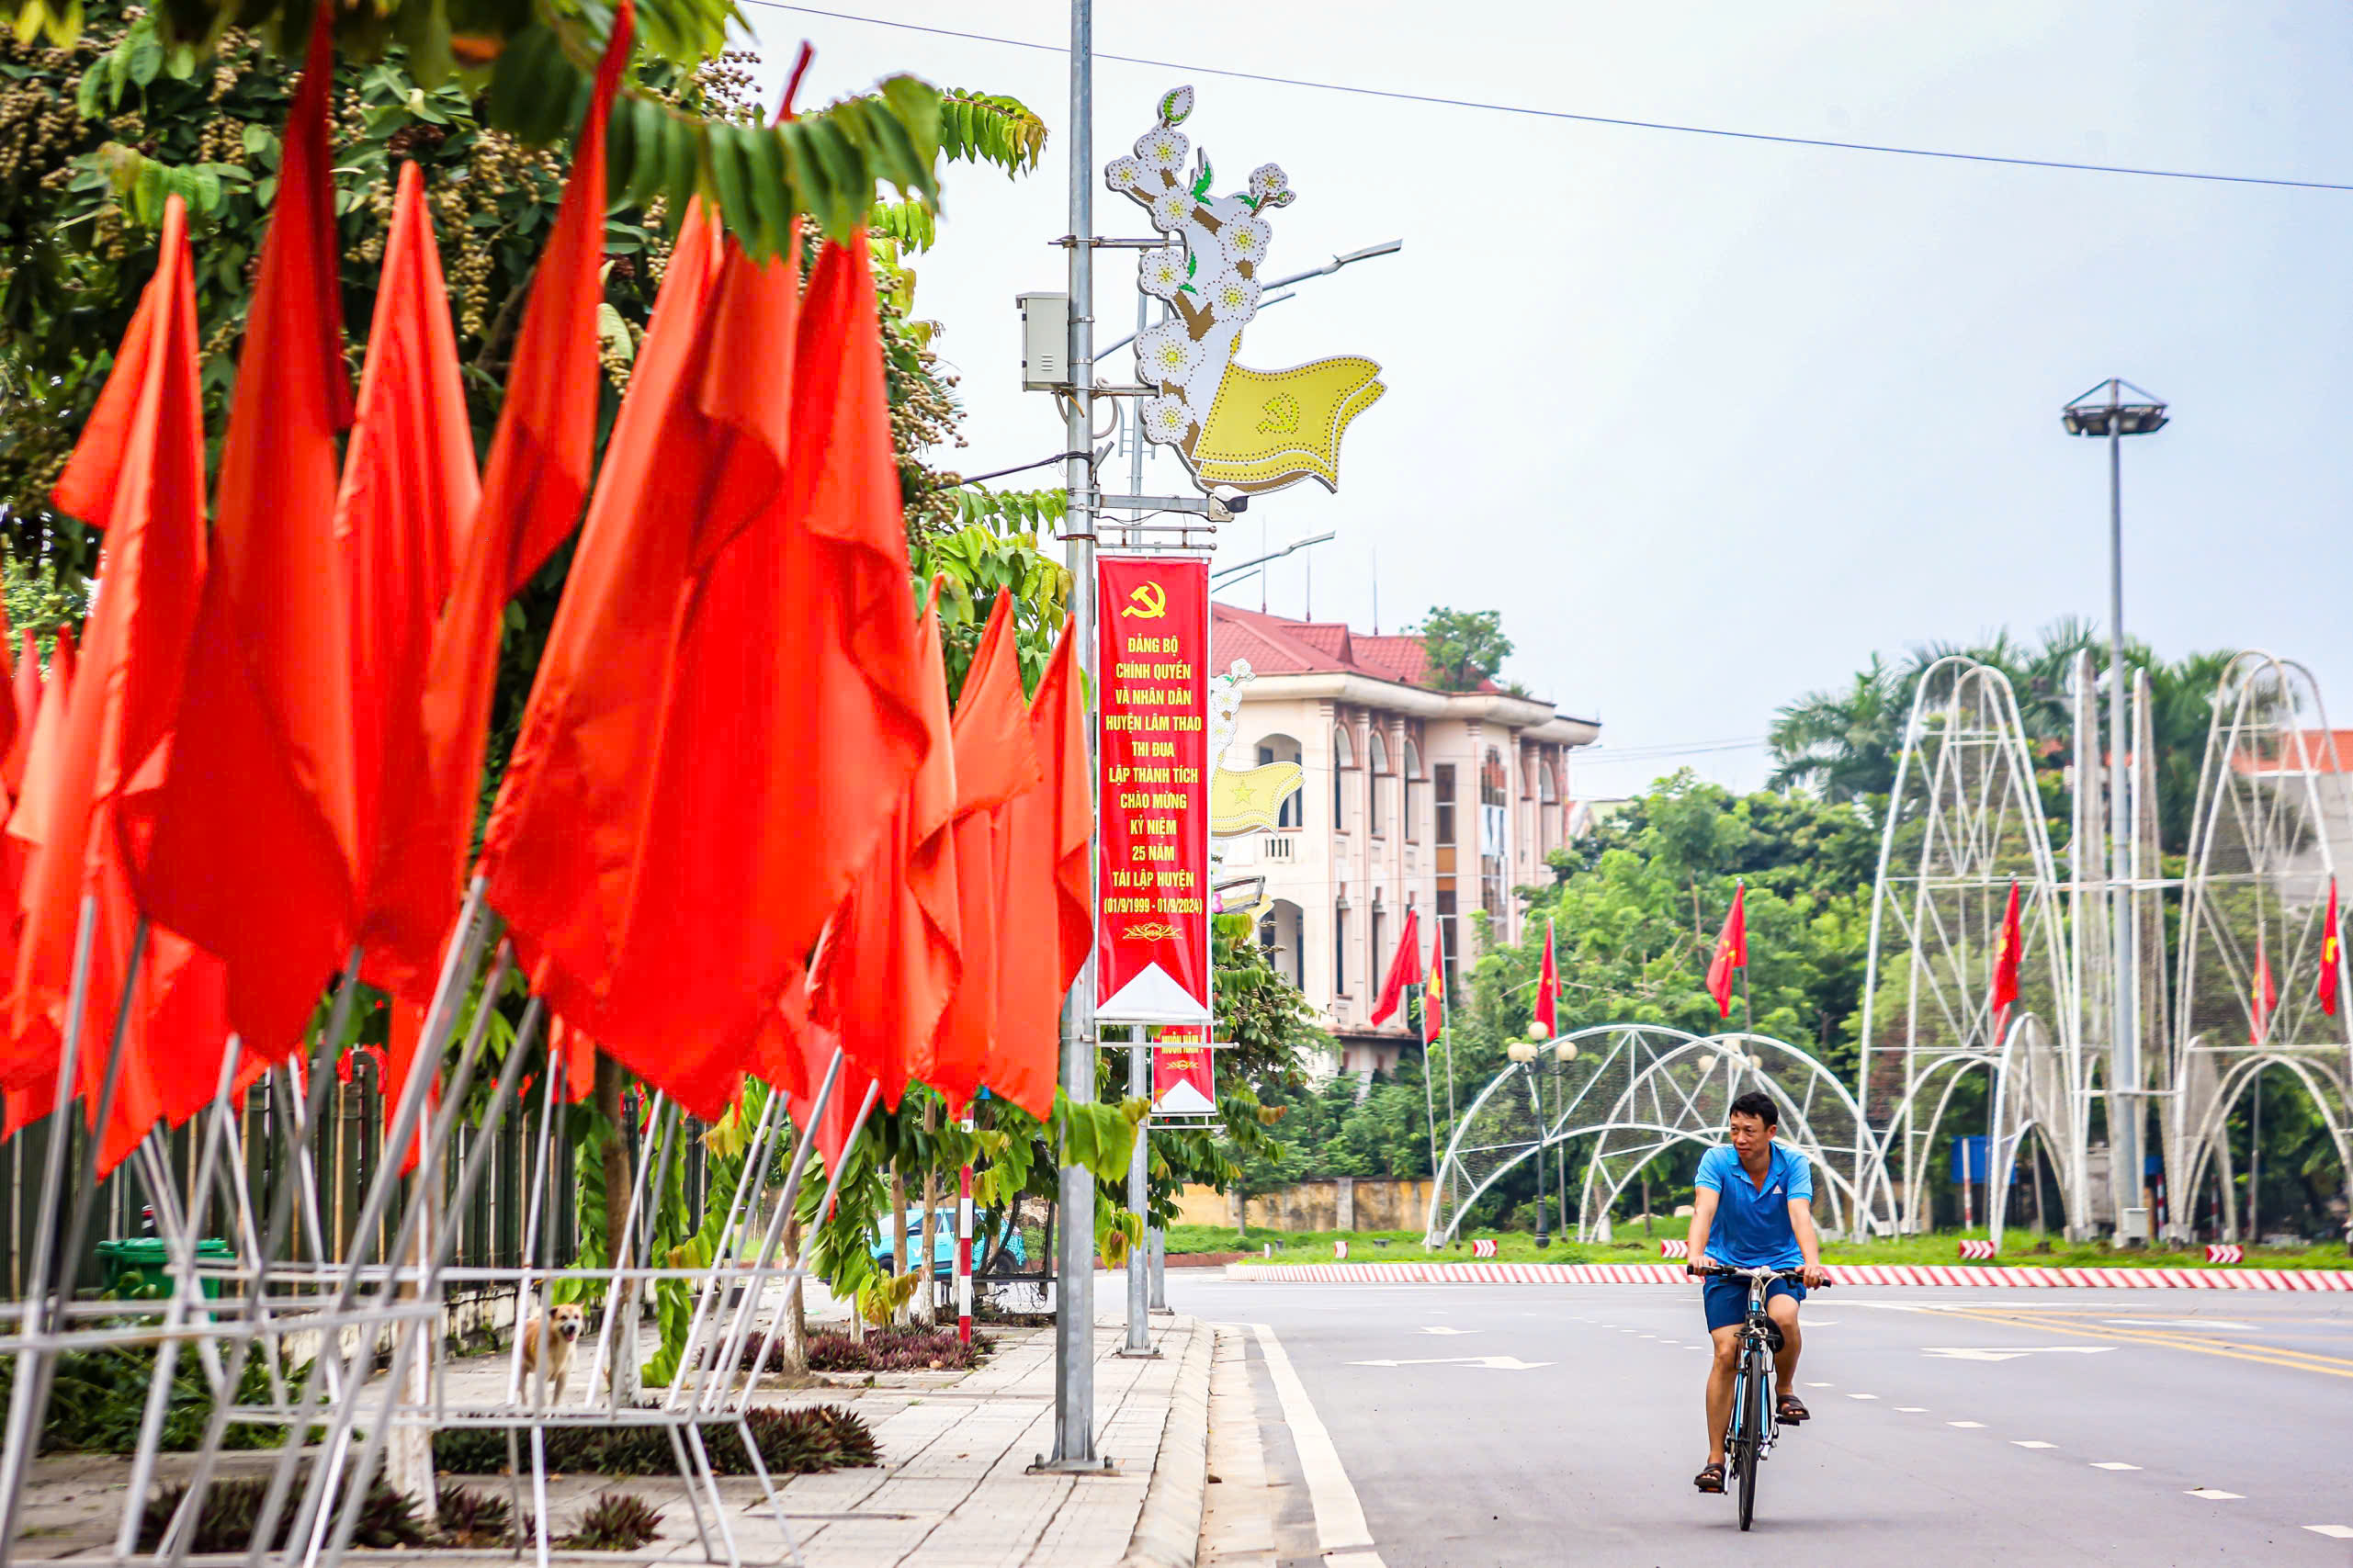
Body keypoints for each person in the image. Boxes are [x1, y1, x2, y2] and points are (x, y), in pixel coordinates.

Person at [1684, 1089, 1828, 1494]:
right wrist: (1696, 1255)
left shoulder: (1793, 1164)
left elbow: (1800, 1214)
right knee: (1726, 1352)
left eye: (1749, 1130)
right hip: (1726, 1267)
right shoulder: (1716, 1161)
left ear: (1771, 1131)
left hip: (1781, 1265)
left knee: (1784, 1317)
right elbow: (1704, 1209)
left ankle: (1784, 1391)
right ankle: (1715, 1460)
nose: (1740, 1138)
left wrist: (1811, 1263)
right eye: (1734, 1129)